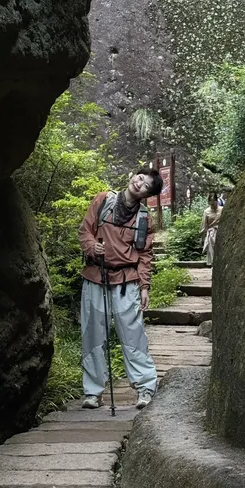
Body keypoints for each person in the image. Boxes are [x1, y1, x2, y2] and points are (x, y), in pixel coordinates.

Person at [78, 166, 164, 410]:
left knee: (133, 334)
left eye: (146, 184)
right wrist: (92, 246)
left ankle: (146, 386)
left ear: (147, 193)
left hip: (127, 280)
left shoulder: (144, 219)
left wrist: (145, 286)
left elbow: (145, 255)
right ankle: (93, 391)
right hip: (95, 275)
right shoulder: (103, 200)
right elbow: (85, 230)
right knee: (93, 334)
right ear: (132, 176)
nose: (139, 183)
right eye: (139, 177)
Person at [201, 192, 222, 268]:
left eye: (214, 202)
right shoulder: (206, 211)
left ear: (217, 201)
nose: (212, 204)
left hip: (221, 232)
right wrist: (204, 235)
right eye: (211, 202)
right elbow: (204, 225)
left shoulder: (222, 210)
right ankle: (214, 265)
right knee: (212, 250)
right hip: (211, 233)